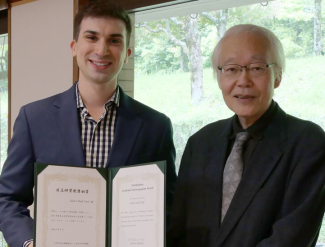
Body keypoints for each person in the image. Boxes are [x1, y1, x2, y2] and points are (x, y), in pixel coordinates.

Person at [0, 2, 177, 247]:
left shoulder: (155, 126)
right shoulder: (34, 118)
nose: (102, 50)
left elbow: (167, 206)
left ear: (127, 53)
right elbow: (8, 198)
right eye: (91, 37)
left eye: (114, 40)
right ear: (74, 47)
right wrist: (29, 242)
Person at [167, 24, 325, 247]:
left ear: (278, 75)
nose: (243, 81)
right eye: (231, 69)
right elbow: (178, 230)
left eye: (257, 67)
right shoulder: (200, 143)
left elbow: (292, 238)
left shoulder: (308, 142)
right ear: (219, 78)